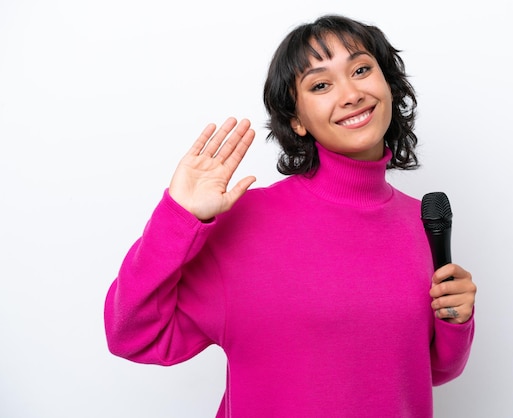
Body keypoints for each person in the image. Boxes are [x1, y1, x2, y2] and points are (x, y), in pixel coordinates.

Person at [104, 14, 477, 418]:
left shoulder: (421, 220)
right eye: (320, 84)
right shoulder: (247, 222)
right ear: (296, 120)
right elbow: (132, 335)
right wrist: (177, 218)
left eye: (362, 69)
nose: (350, 93)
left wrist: (457, 319)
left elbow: (429, 370)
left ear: (387, 83)